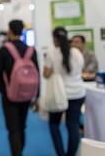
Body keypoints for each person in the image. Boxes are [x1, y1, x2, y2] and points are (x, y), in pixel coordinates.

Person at [0, 20, 39, 156]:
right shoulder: (31, 50)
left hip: (9, 94)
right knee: (21, 126)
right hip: (27, 94)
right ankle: (20, 151)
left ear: (10, 31)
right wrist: (38, 95)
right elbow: (37, 73)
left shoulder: (4, 50)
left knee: (13, 129)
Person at [44, 27, 85, 156]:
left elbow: (46, 74)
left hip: (59, 95)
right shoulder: (77, 53)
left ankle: (61, 153)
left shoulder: (52, 53)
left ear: (55, 38)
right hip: (77, 93)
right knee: (73, 126)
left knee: (53, 124)